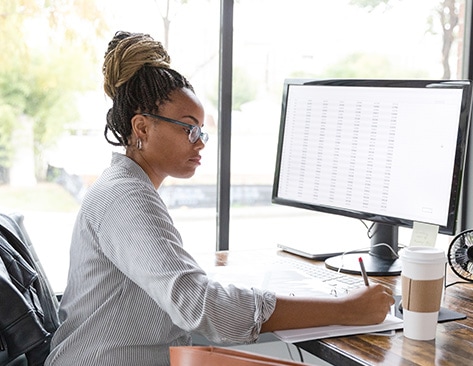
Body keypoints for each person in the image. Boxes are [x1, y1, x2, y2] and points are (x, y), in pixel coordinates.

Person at [45, 31, 394, 366]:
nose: (200, 142)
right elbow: (201, 306)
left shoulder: (126, 187)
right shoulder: (126, 197)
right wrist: (346, 309)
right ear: (142, 128)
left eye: (202, 131)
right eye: (189, 128)